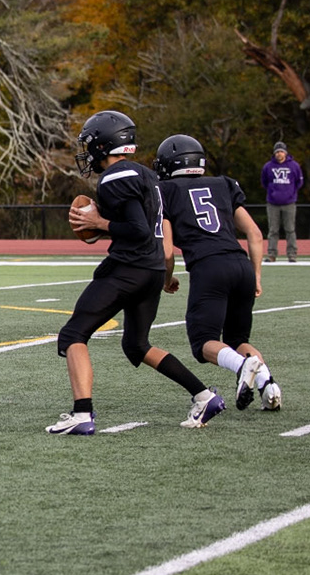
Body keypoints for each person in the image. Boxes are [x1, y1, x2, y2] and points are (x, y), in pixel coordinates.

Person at [49, 111, 224, 435]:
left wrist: (99, 224)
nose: (87, 153)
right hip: (152, 268)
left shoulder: (116, 176)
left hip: (129, 267)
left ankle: (82, 414)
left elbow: (137, 229)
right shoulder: (146, 175)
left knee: (73, 334)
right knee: (136, 344)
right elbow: (143, 228)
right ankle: (203, 395)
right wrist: (106, 228)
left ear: (105, 144)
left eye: (90, 145)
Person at [156, 133, 283, 415]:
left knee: (204, 342)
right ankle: (269, 387)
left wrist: (167, 279)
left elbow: (166, 252)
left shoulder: (165, 190)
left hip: (209, 267)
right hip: (240, 265)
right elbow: (254, 233)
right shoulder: (223, 183)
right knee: (239, 339)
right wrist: (257, 275)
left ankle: (242, 366)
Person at [260, 142, 304, 262]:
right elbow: (264, 182)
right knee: (273, 230)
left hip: (289, 202)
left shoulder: (294, 166)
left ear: (285, 152)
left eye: (281, 151)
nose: (279, 154)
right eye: (277, 152)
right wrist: (272, 192)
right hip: (272, 203)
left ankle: (292, 254)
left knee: (290, 229)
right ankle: (272, 254)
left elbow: (299, 182)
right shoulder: (268, 166)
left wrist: (291, 193)